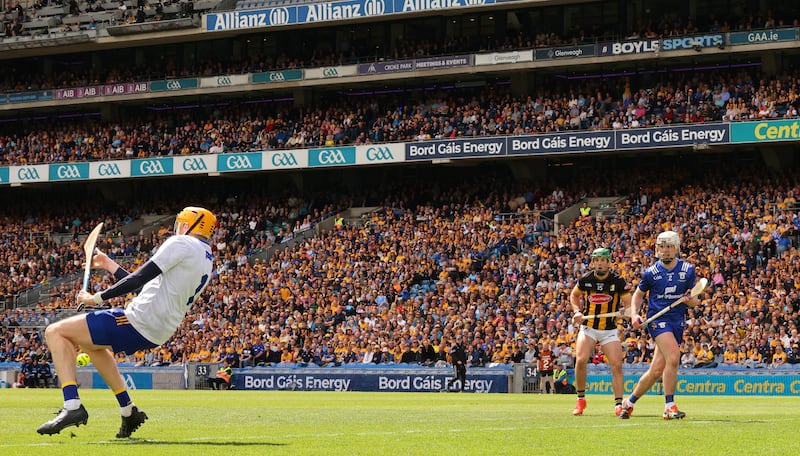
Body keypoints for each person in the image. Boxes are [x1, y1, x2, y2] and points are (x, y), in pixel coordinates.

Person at [36, 207, 216, 437]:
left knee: (55, 332)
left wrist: (95, 298)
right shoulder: (205, 257)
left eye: (180, 223)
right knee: (92, 345)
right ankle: (129, 411)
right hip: (158, 330)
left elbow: (139, 278)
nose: (177, 227)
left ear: (188, 225)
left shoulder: (181, 243)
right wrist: (110, 265)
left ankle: (72, 406)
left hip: (137, 321)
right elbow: (146, 287)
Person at [619, 230, 699, 420]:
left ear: (676, 248)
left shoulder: (688, 270)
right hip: (657, 319)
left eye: (669, 246)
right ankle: (669, 406)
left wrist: (688, 299)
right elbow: (638, 295)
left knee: (655, 371)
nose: (665, 251)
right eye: (662, 247)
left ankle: (628, 403)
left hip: (677, 321)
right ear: (657, 249)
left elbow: (694, 301)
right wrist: (635, 314)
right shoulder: (651, 273)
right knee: (673, 356)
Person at [570, 247, 631, 416]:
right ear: (592, 262)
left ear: (608, 262)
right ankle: (581, 399)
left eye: (602, 260)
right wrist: (576, 311)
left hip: (609, 330)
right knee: (581, 360)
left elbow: (628, 303)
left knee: (617, 365)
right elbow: (574, 296)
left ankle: (618, 404)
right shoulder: (585, 280)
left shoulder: (618, 281)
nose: (599, 264)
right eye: (596, 260)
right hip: (589, 327)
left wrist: (626, 311)